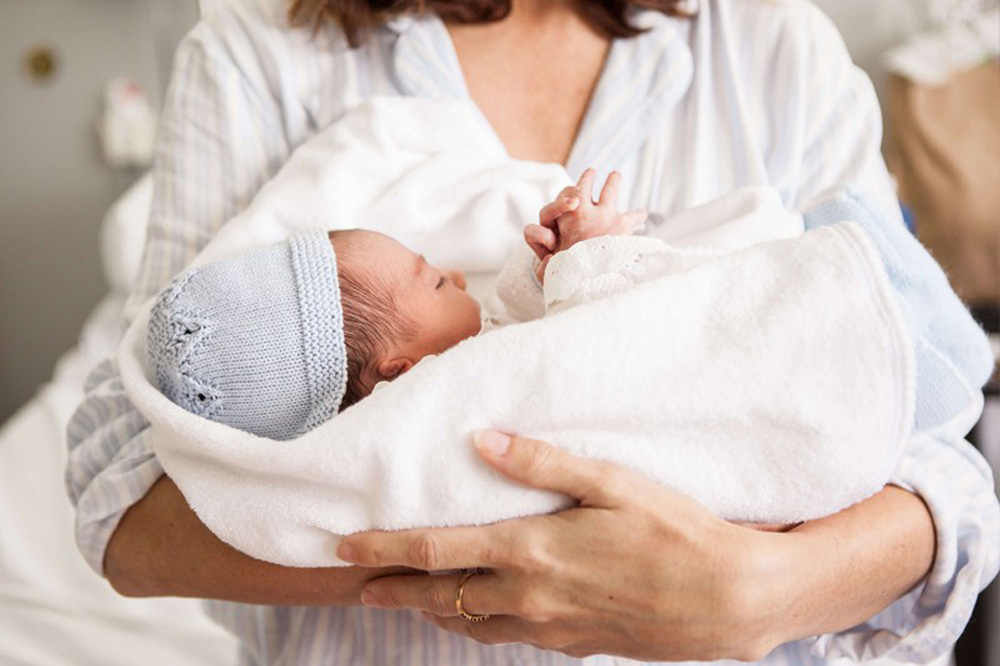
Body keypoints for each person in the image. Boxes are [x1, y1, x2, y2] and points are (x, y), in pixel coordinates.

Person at [65, 0, 999, 664]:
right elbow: (122, 500)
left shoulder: (777, 46)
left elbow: (947, 480)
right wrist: (528, 551)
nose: (449, 273)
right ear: (393, 372)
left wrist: (761, 590)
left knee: (875, 326)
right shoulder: (258, 50)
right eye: (431, 278)